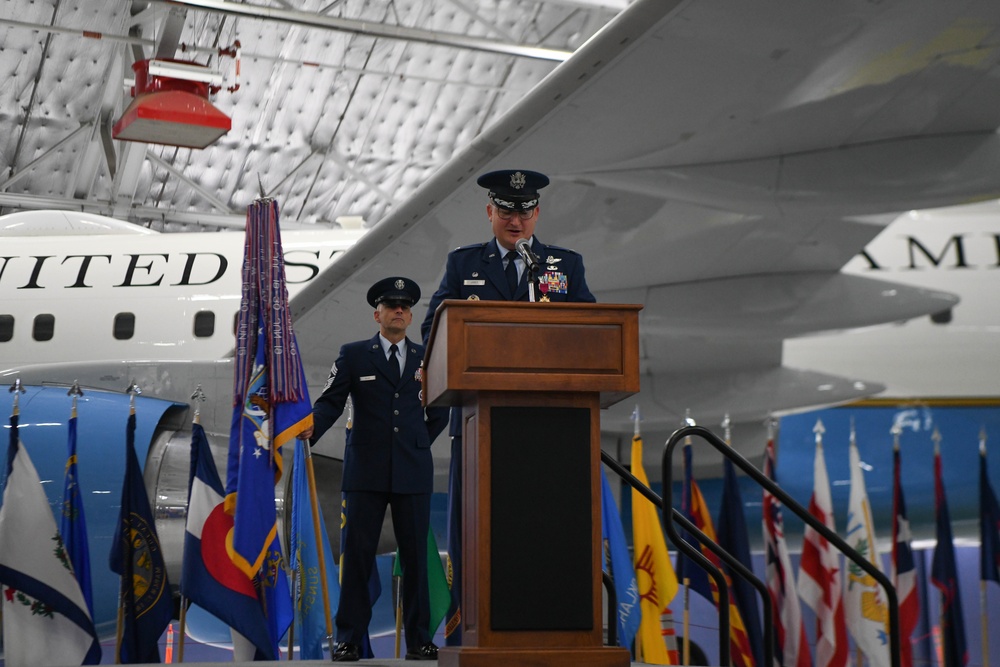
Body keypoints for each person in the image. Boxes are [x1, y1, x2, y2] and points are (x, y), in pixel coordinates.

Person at [419, 169, 596, 644]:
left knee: (541, 530)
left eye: (524, 210)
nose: (515, 219)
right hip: (479, 419)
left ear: (536, 213)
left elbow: (593, 331)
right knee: (477, 533)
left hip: (549, 425)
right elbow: (431, 332)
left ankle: (546, 632)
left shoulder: (564, 265)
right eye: (506, 210)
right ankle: (471, 636)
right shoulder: (463, 264)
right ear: (489, 212)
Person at [301, 276, 448, 662]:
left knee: (415, 558)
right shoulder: (353, 355)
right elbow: (330, 403)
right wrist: (310, 429)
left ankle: (419, 640)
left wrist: (413, 445)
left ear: (411, 315)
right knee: (357, 558)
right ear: (377, 314)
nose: (399, 310)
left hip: (412, 472)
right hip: (365, 471)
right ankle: (348, 637)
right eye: (391, 305)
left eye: (405, 306)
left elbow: (440, 413)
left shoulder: (426, 358)